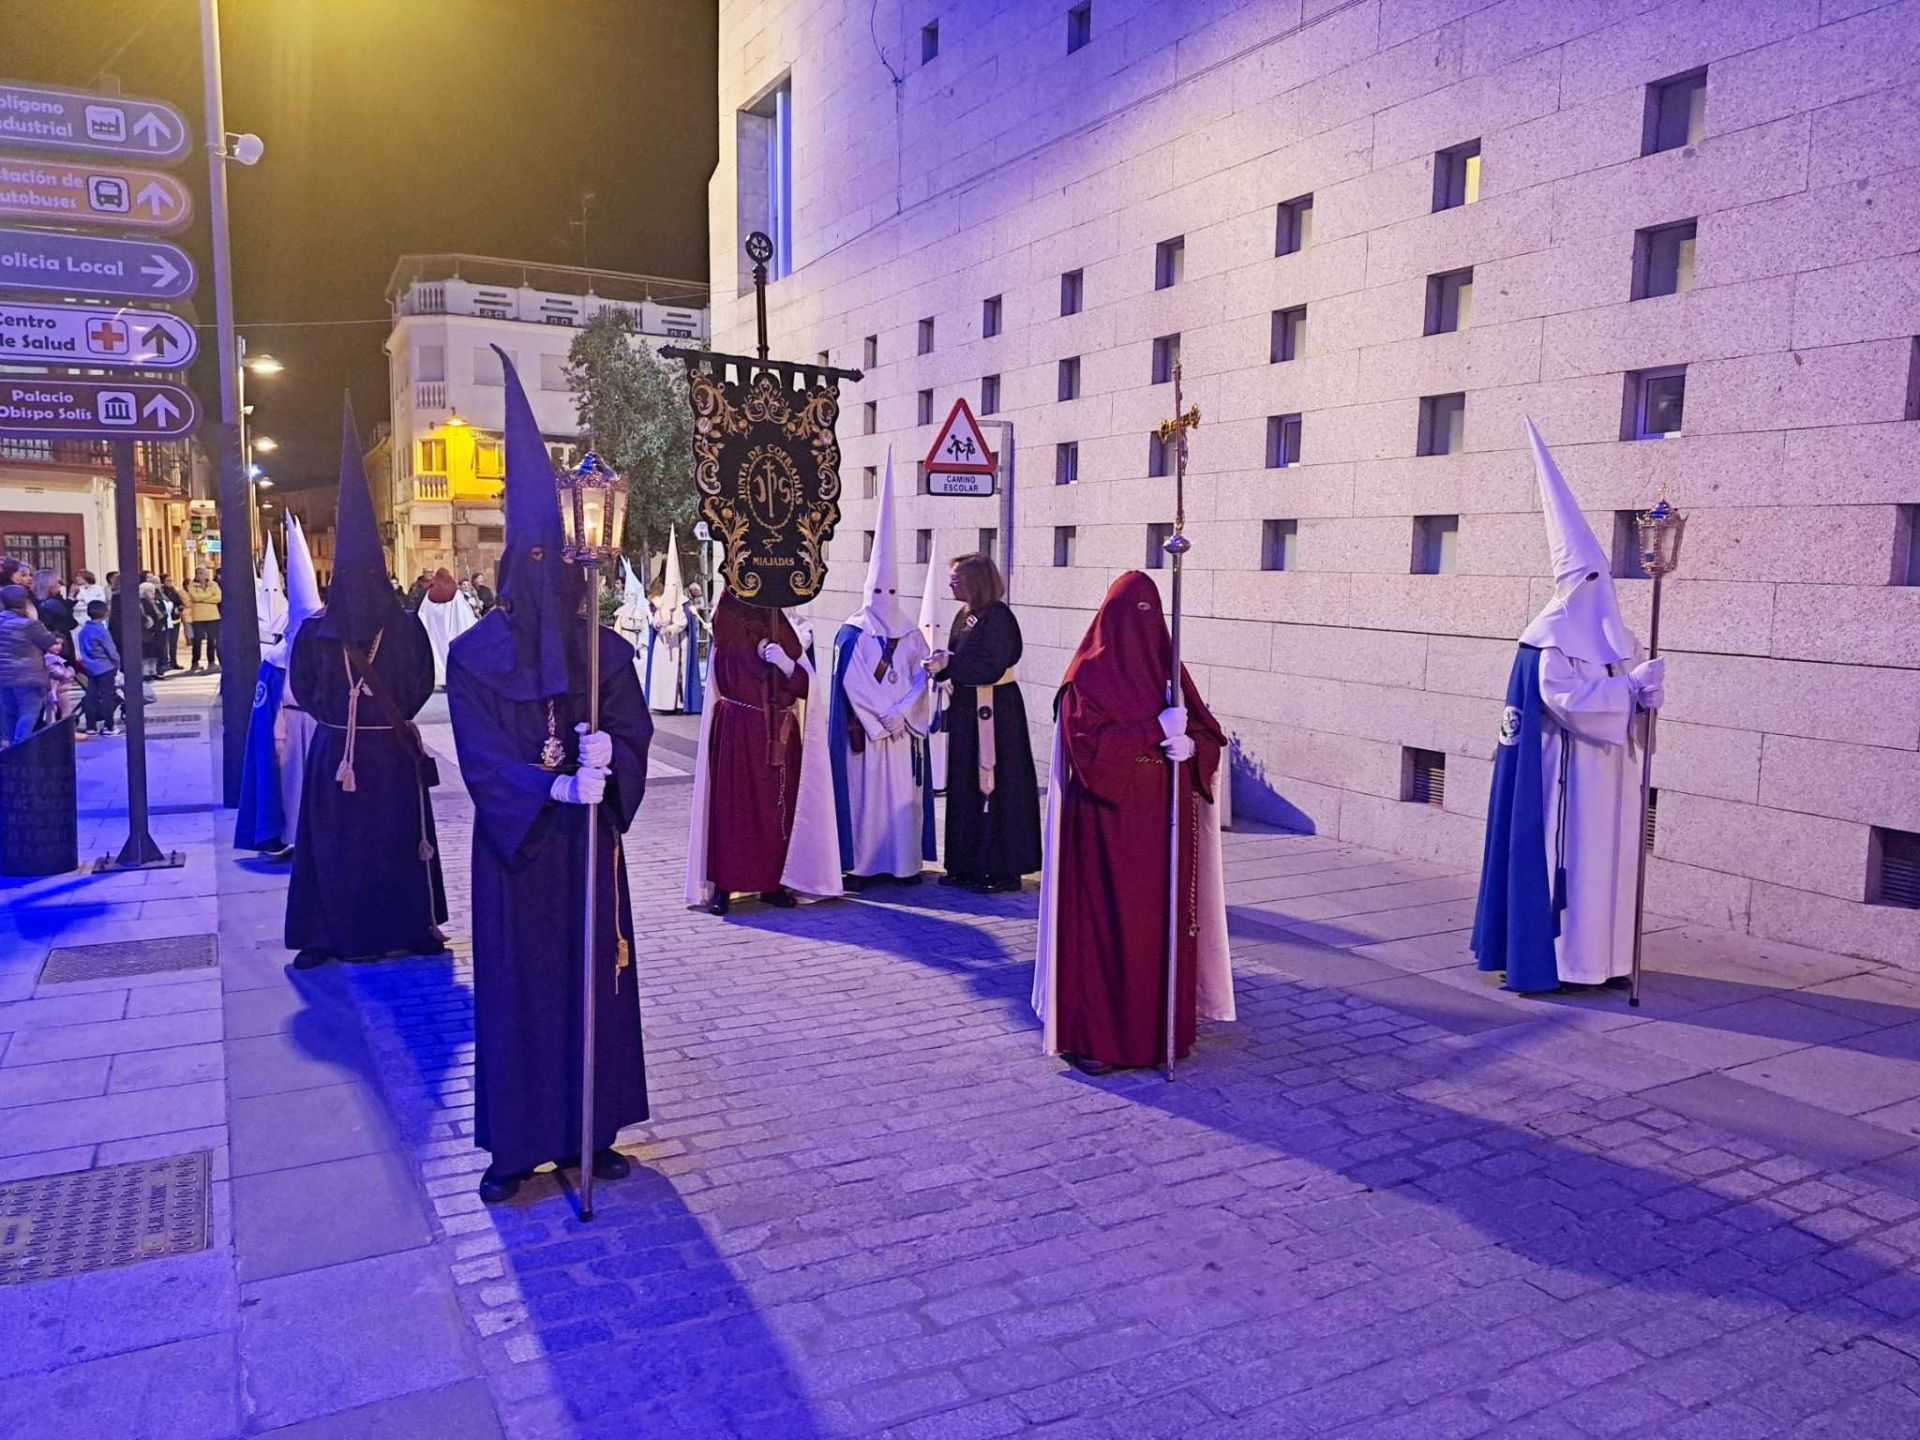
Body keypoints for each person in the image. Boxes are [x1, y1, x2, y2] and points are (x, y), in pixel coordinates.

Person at [446, 349, 654, 1204]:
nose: (552, 583)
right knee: (523, 990)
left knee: (593, 981)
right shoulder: (473, 657)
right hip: (522, 852)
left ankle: (590, 1133)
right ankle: (516, 1146)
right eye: (535, 565)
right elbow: (482, 759)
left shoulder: (605, 652)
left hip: (590, 848)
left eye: (560, 568)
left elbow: (633, 731)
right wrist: (552, 787)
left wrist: (615, 759)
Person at [1472, 421, 1666, 995]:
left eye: (1601, 576)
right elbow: (1566, 702)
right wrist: (1627, 694)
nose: (1597, 588)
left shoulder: (1617, 637)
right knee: (1577, 869)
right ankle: (1566, 963)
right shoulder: (1548, 639)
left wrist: (1646, 696)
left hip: (1613, 778)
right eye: (1587, 578)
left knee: (1612, 867)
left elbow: (1629, 695)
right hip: (1568, 781)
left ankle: (1608, 960)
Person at [1032, 571, 1235, 1074]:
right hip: (1107, 830)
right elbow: (1086, 751)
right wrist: (1152, 729)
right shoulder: (1087, 677)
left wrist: (1191, 748)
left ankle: (1160, 1033)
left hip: (1165, 829)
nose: (1143, 627)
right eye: (1132, 616)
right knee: (1110, 929)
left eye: (1151, 615)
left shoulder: (1168, 670)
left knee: (1161, 929)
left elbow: (1208, 733)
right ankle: (1101, 1040)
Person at [285, 400, 447, 969]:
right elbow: (421, 685)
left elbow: (306, 690)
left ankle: (358, 934)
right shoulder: (385, 627)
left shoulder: (327, 631)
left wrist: (342, 719)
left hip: (344, 751)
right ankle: (380, 932)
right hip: (370, 752)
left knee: (364, 844)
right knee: (371, 844)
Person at [684, 591, 841, 916]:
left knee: (775, 811)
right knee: (732, 809)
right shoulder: (727, 625)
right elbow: (724, 659)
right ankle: (725, 885)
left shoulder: (780, 627)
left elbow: (804, 686)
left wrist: (785, 664)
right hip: (737, 732)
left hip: (776, 734)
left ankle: (772, 882)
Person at [828, 454, 935, 887]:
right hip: (868, 736)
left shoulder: (910, 633)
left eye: (891, 589)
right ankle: (864, 866)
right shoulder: (852, 633)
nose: (884, 597)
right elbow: (852, 683)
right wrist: (882, 717)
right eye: (877, 589)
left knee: (902, 800)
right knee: (867, 801)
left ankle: (904, 865)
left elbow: (923, 676)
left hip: (901, 733)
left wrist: (903, 712)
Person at [927, 552, 1041, 892]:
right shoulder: (964, 616)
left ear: (976, 581)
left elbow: (991, 666)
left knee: (997, 785)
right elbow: (961, 660)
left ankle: (1001, 869)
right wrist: (942, 666)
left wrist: (951, 664)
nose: (951, 584)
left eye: (956, 579)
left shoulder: (999, 617)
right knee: (965, 784)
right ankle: (965, 864)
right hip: (968, 711)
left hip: (996, 712)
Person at [236, 515, 323, 858]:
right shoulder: (275, 660)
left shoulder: (328, 652)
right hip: (286, 728)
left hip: (321, 727)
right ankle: (288, 836)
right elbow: (266, 707)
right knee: (289, 787)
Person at [0, 584, 56, 745]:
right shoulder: (29, 624)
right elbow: (49, 642)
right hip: (28, 677)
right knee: (28, 713)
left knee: (8, 715)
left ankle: (9, 748)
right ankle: (20, 747)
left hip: (3, 677)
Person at [416, 567, 478, 689]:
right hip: (453, 633)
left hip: (435, 635)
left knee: (436, 653)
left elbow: (423, 614)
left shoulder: (429, 595)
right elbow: (464, 616)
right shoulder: (456, 594)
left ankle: (440, 677)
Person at [74, 600, 120, 736]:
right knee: (107, 696)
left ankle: (91, 726)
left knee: (91, 696)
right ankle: (109, 726)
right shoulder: (102, 631)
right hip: (105, 667)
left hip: (89, 668)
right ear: (104, 613)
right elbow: (111, 652)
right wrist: (117, 664)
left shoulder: (83, 631)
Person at [186, 565, 221, 672]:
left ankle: (211, 662)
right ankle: (195, 663)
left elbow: (218, 598)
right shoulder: (192, 585)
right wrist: (210, 596)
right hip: (198, 617)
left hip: (213, 616)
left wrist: (202, 600)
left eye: (203, 572)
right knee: (197, 641)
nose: (201, 575)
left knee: (212, 640)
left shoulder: (213, 584)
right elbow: (195, 597)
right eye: (199, 573)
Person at [159, 574, 186, 672]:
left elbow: (180, 602)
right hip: (167, 620)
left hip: (176, 619)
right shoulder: (161, 592)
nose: (170, 583)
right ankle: (165, 662)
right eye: (168, 580)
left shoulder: (174, 591)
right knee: (166, 642)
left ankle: (174, 661)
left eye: (171, 580)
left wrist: (179, 608)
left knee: (174, 643)